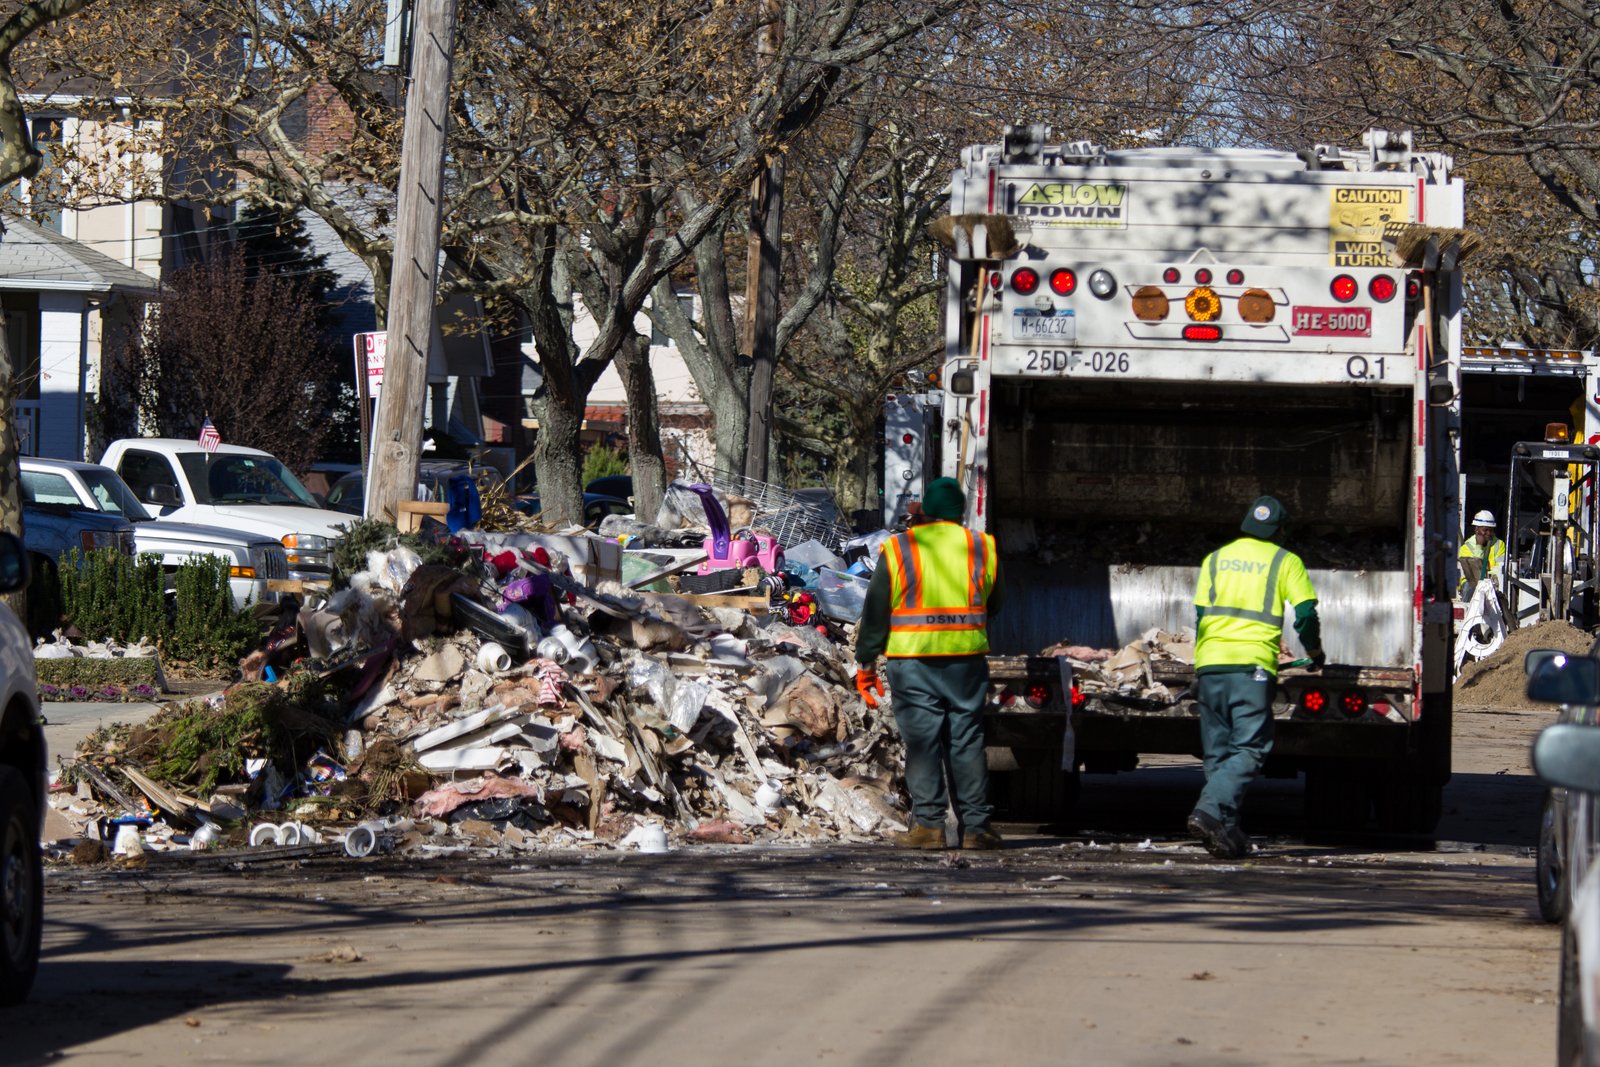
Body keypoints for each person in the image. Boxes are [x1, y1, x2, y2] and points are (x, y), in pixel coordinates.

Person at [855, 477, 1003, 850]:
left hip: (913, 661)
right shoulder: (981, 545)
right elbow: (996, 602)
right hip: (965, 662)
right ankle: (977, 829)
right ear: (960, 512)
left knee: (923, 742)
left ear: (928, 510)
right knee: (966, 741)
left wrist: (866, 662)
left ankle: (930, 828)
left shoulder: (900, 547)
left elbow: (876, 610)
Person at [1188, 495, 1323, 859]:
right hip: (1252, 668)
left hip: (1210, 664)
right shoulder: (1285, 560)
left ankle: (1226, 831)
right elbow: (1305, 615)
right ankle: (1209, 811)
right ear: (1280, 531)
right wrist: (1314, 651)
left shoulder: (1215, 559)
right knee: (1250, 747)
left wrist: (1203, 662)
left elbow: (1201, 616)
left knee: (1218, 753)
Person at [1457, 510, 1506, 596]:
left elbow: (1500, 567)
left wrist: (1489, 577)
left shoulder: (1499, 544)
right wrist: (1479, 546)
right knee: (1471, 587)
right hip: (1470, 583)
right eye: (1485, 530)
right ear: (1476, 529)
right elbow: (1475, 572)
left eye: (1491, 530)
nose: (1489, 533)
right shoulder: (1466, 547)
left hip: (1491, 582)